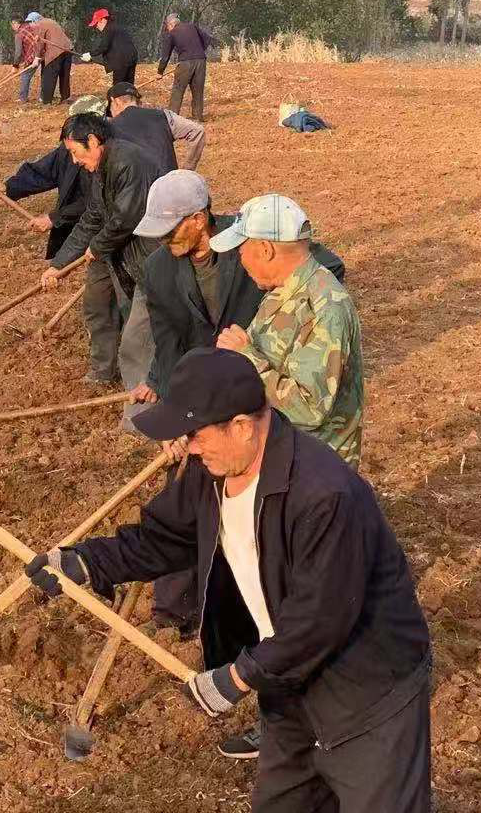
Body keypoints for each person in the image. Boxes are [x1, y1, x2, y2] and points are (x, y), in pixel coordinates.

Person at [25, 347, 432, 813]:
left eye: (196, 435)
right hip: (288, 686)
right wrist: (84, 563)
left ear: (241, 426)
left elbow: (319, 618)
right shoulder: (216, 471)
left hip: (367, 693)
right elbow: (162, 538)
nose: (189, 447)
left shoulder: (325, 496)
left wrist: (238, 677)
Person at [127, 171, 344, 677]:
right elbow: (169, 341)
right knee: (188, 492)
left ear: (199, 219)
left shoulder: (248, 244)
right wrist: (173, 406)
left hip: (258, 401)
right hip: (206, 394)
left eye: (169, 227)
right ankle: (176, 603)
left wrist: (283, 325)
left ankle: (264, 627)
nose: (161, 239)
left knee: (257, 518)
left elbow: (323, 266)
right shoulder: (159, 270)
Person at [211, 194, 365, 468]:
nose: (240, 259)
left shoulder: (325, 308)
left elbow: (310, 409)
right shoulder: (282, 291)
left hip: (315, 469)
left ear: (265, 249)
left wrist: (247, 358)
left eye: (241, 250)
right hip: (284, 456)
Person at [40, 113, 167, 389]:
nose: (74, 160)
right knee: (96, 305)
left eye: (75, 152)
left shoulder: (129, 162)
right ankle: (102, 370)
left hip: (142, 251)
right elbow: (93, 216)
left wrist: (97, 247)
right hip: (111, 247)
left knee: (138, 325)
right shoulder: (99, 168)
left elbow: (127, 217)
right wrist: (58, 264)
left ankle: (144, 388)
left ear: (93, 140)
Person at [0, 96, 101, 259]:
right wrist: (9, 187)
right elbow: (43, 172)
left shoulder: (111, 161)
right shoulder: (68, 148)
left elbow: (96, 201)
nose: (75, 158)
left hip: (98, 237)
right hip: (71, 232)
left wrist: (54, 218)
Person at [108, 82, 206, 172]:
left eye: (110, 108)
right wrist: (187, 170)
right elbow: (197, 131)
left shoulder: (111, 126)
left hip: (134, 183)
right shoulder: (164, 116)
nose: (111, 113)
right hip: (168, 181)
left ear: (115, 101)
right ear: (138, 101)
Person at [157, 13, 219, 121]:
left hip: (185, 63)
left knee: (178, 90)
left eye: (167, 26)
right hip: (201, 61)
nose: (167, 28)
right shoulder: (192, 26)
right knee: (198, 90)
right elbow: (207, 39)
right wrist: (198, 51)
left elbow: (165, 56)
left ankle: (172, 118)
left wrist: (159, 72)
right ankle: (197, 117)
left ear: (171, 24)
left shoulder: (172, 33)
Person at [80, 7, 139, 87]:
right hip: (132, 58)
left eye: (96, 23)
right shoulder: (117, 27)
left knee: (118, 86)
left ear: (102, 20)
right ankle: (130, 93)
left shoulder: (108, 29)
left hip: (121, 61)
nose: (96, 27)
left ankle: (120, 94)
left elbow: (103, 47)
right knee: (129, 85)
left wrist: (90, 54)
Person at [33, 12, 75, 104]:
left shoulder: (40, 24)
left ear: (34, 21)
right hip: (68, 49)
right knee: (64, 75)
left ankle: (46, 100)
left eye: (30, 23)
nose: (31, 26)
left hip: (56, 51)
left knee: (49, 76)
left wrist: (37, 58)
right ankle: (65, 98)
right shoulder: (51, 22)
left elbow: (40, 43)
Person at [10, 16, 43, 102]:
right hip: (43, 52)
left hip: (33, 55)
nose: (12, 27)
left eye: (12, 25)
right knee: (45, 75)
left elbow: (18, 53)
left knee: (25, 75)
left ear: (16, 23)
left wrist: (15, 66)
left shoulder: (19, 34)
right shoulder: (30, 27)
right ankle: (43, 97)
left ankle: (23, 98)